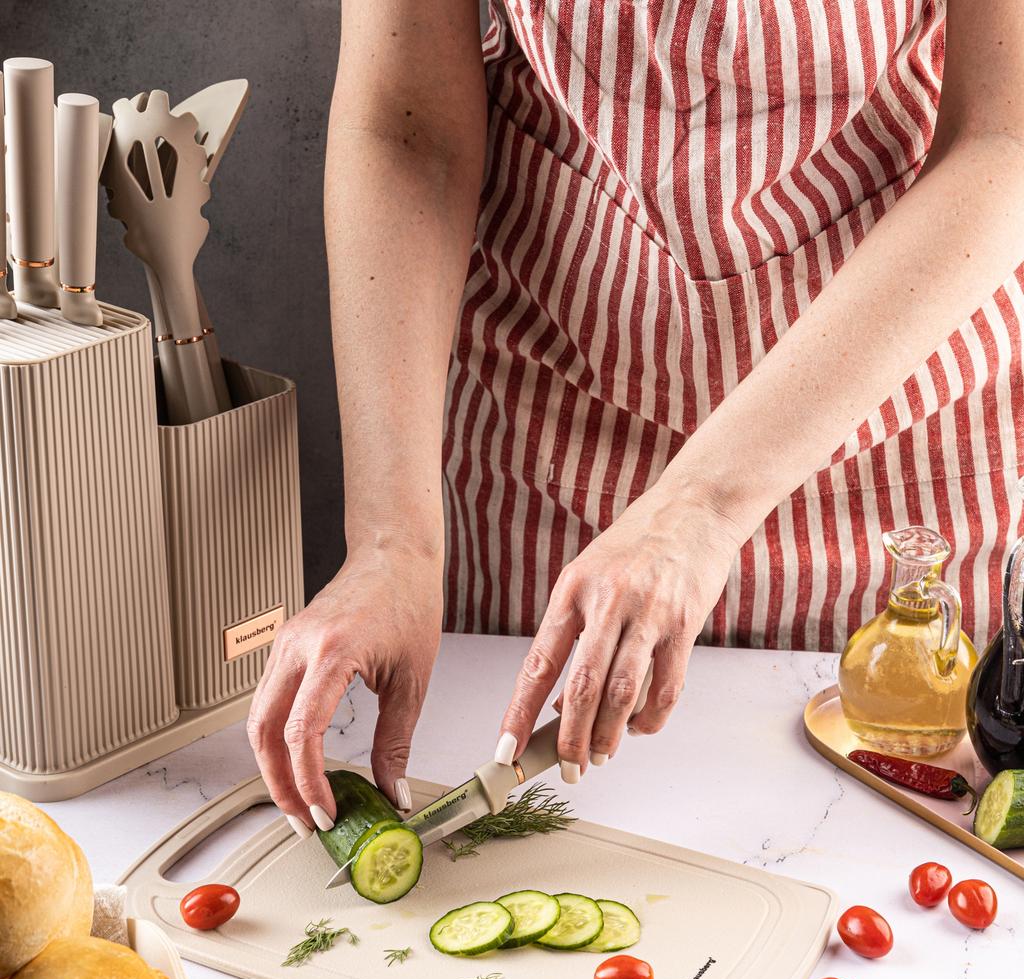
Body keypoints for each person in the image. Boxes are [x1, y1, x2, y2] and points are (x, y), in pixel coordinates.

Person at [248, 0, 1024, 837]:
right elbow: (409, 127)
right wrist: (390, 539)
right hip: (546, 438)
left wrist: (701, 504)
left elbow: (1003, 137)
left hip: (888, 440)